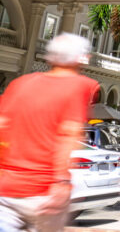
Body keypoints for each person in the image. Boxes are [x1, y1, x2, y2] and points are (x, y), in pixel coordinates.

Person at [0, 33, 99, 232]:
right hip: (43, 193)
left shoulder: (20, 84)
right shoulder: (81, 86)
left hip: (6, 189)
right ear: (82, 58)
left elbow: (2, 126)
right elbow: (68, 135)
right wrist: (61, 182)